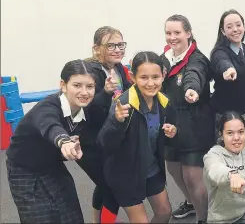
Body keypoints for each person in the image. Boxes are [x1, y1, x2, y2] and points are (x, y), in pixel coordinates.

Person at [6, 60, 96, 223]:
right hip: (24, 170)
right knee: (39, 218)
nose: (84, 92)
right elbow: (50, 125)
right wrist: (64, 142)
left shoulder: (85, 112)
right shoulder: (48, 107)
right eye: (77, 85)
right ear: (63, 85)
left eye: (89, 86)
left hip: (52, 165)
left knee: (71, 215)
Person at [97, 51, 177, 223]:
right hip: (125, 174)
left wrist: (171, 133)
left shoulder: (164, 103)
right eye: (144, 77)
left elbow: (164, 137)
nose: (150, 83)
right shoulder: (123, 105)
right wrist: (116, 121)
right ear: (133, 77)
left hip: (151, 168)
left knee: (164, 212)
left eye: (155, 77)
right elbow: (104, 143)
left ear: (163, 76)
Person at [160, 14, 214, 223]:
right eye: (168, 33)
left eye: (177, 32)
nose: (172, 37)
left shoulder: (197, 59)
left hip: (194, 125)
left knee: (192, 176)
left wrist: (192, 89)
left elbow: (195, 74)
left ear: (188, 33)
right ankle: (191, 203)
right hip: (171, 124)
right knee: (173, 169)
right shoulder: (164, 57)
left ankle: (204, 218)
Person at [82, 25, 131, 223]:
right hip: (90, 141)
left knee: (104, 185)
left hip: (108, 136)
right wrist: (104, 93)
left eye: (120, 45)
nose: (117, 49)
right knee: (112, 186)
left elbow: (124, 94)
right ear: (96, 48)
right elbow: (85, 106)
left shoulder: (117, 67)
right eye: (111, 45)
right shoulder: (90, 72)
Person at [210, 9, 245, 147]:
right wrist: (228, 69)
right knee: (229, 156)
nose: (235, 29)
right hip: (226, 114)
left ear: (243, 26)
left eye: (238, 25)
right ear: (223, 31)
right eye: (229, 27)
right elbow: (221, 61)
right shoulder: (219, 52)